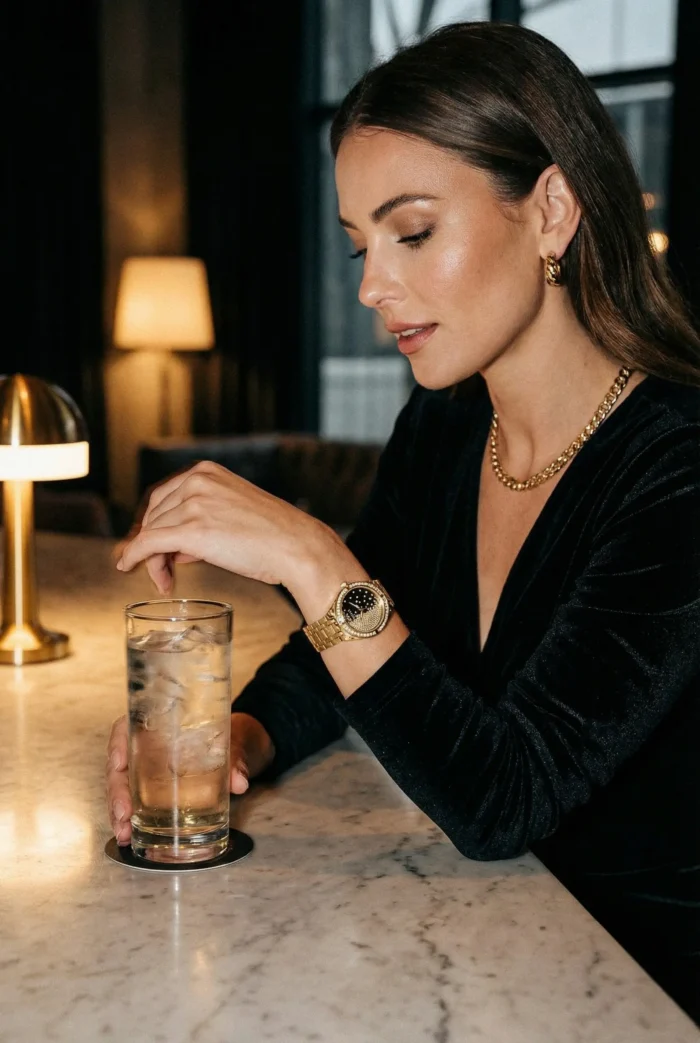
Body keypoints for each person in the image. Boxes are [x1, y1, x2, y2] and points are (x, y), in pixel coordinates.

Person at [106, 22, 700, 1023]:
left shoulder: (676, 466)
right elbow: (341, 651)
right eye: (359, 244)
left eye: (411, 232)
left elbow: (504, 798)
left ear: (552, 210)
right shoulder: (448, 423)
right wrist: (238, 737)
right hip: (473, 946)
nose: (370, 286)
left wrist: (310, 553)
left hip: (635, 988)